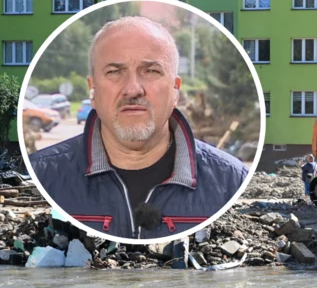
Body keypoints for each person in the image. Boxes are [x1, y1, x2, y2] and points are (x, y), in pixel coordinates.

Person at [29, 16, 249, 239]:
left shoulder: (231, 182)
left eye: (151, 71)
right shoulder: (42, 176)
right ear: (92, 89)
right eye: (115, 72)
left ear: (175, 89)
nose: (133, 89)